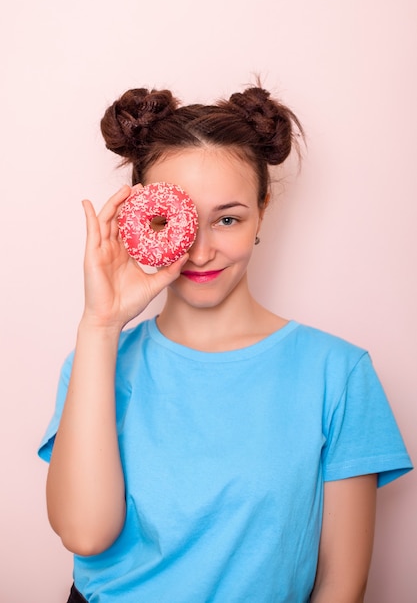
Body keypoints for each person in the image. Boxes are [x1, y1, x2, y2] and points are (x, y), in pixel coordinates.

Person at [38, 84, 412, 603]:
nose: (200, 251)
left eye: (228, 219)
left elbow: (340, 585)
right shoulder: (96, 362)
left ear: (262, 211)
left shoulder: (337, 374)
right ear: (137, 218)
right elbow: (84, 534)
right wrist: (100, 325)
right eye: (174, 222)